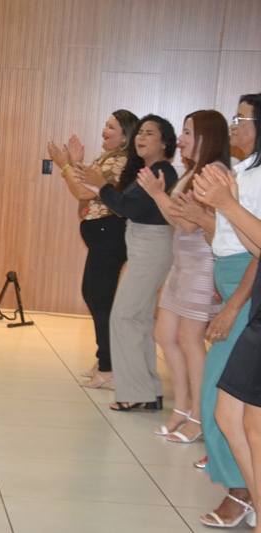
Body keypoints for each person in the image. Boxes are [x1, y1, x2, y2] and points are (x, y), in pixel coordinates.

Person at [136, 111, 229, 443]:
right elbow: (177, 221)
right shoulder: (193, 170)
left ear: (207, 137)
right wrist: (159, 195)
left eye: (189, 132)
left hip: (201, 267)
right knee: (165, 335)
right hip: (183, 264)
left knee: (191, 341)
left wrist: (157, 193)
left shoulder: (214, 172)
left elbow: (191, 223)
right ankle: (183, 408)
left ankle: (199, 418)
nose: (183, 138)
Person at [191, 93, 261, 529]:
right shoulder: (244, 169)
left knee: (229, 406)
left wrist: (234, 305)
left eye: (243, 118)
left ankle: (243, 493)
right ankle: (248, 494)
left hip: (246, 290)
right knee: (231, 411)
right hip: (240, 285)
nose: (236, 124)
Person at [76, 115, 178, 411]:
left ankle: (134, 391)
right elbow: (126, 205)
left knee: (124, 316)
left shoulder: (161, 171)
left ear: (164, 142)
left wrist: (102, 186)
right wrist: (98, 186)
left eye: (150, 134)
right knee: (138, 319)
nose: (141, 138)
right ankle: (148, 391)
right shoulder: (149, 170)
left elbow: (128, 208)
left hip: (151, 248)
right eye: (140, 133)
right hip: (143, 247)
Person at [47, 110, 138, 388]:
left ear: (125, 135)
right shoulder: (108, 158)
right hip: (102, 236)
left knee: (99, 298)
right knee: (95, 295)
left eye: (111, 127)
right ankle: (105, 359)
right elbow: (85, 183)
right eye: (105, 126)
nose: (104, 131)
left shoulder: (120, 160)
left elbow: (84, 191)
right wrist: (74, 163)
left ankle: (109, 366)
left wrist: (65, 165)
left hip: (110, 234)